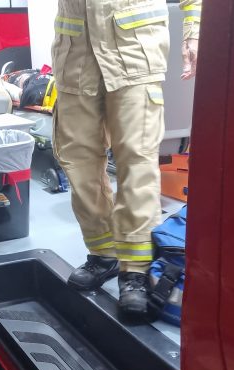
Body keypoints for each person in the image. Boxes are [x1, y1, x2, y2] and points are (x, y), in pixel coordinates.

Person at [51, 0, 202, 319]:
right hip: (75, 55)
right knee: (77, 162)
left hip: (135, 55)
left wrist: (194, 32)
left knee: (137, 164)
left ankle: (135, 269)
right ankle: (103, 253)